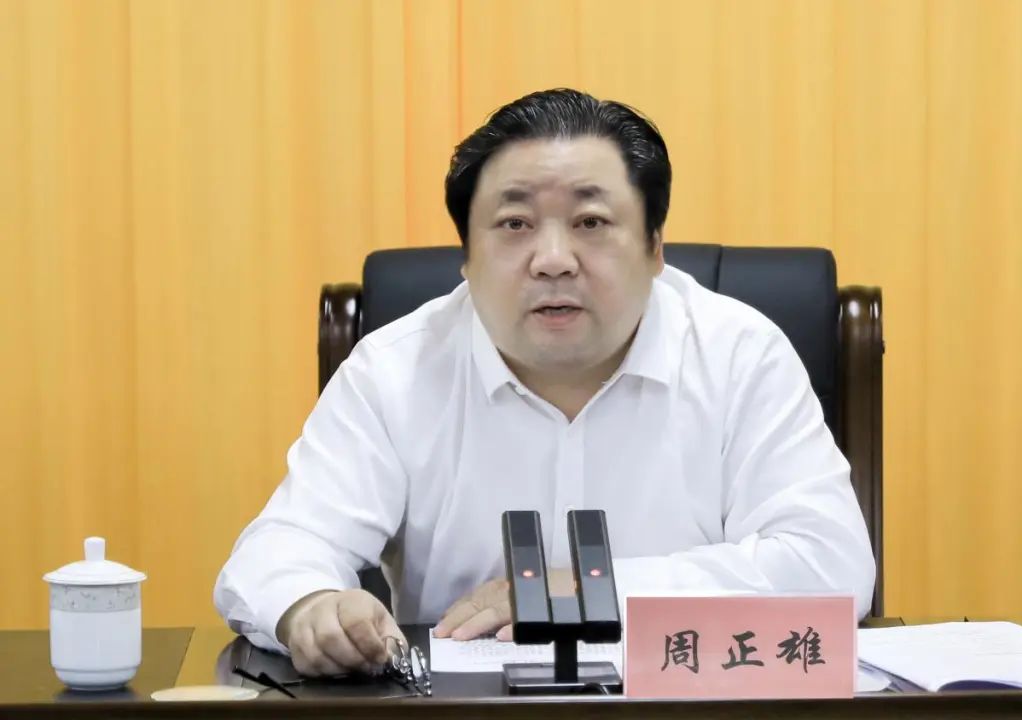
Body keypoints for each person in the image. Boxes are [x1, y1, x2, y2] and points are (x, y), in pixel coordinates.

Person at [214, 88, 875, 677]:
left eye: (591, 222)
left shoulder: (739, 355)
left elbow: (831, 567)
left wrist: (585, 592)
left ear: (655, 247)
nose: (553, 260)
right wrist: (311, 607)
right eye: (515, 225)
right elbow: (279, 548)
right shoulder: (395, 370)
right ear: (468, 256)